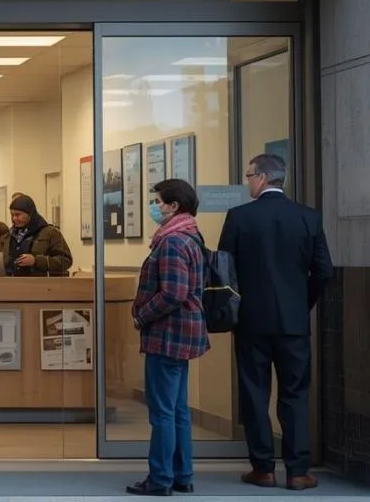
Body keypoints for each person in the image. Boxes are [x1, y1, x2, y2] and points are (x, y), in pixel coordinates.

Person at [219, 153, 332, 491]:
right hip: (293, 323)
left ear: (263, 177)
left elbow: (223, 271)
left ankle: (263, 468)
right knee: (295, 395)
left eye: (249, 176)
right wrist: (300, 305)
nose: (247, 182)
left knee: (254, 393)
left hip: (251, 322)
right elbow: (323, 271)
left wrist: (235, 307)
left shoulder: (239, 217)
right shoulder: (308, 217)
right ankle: (297, 472)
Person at [126, 179, 208, 497]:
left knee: (162, 411)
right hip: (182, 333)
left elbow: (174, 292)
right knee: (177, 409)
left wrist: (142, 315)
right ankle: (181, 475)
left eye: (158, 201)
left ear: (174, 206)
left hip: (168, 334)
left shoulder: (172, 241)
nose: (155, 207)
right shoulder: (190, 235)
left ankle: (160, 478)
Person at [3, 195, 73, 276]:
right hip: (12, 282)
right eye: (12, 215)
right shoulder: (8, 236)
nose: (14, 218)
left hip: (41, 282)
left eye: (18, 215)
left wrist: (36, 261)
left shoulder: (50, 232)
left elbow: (66, 260)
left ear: (30, 214)